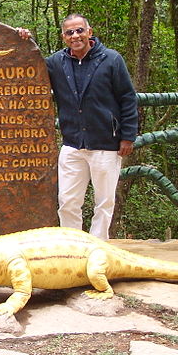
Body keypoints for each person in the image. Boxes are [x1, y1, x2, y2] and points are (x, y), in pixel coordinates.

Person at [44, 13, 138, 240]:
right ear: (63, 37)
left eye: (79, 30)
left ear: (89, 32)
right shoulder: (56, 63)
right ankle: (73, 246)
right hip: (72, 144)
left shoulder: (111, 59)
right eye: (69, 32)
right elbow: (29, 63)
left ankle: (98, 246)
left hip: (106, 143)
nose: (75, 36)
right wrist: (22, 38)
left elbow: (127, 98)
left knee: (104, 202)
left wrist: (128, 136)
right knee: (67, 200)